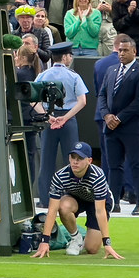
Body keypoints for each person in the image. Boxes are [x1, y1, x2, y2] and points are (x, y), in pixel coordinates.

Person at [31, 141, 122, 260]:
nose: (75, 161)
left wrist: (107, 243)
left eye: (80, 158)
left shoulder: (97, 176)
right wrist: (44, 241)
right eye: (73, 157)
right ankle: (76, 238)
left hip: (97, 202)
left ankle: (86, 234)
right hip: (76, 198)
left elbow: (100, 211)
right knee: (63, 206)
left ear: (89, 161)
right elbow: (52, 210)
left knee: (92, 249)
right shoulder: (60, 176)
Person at [97, 34, 139, 215]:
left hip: (132, 127)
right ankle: (114, 202)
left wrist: (118, 118)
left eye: (125, 50)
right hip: (111, 128)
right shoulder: (111, 70)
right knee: (114, 166)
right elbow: (102, 95)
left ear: (134, 51)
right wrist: (106, 116)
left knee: (136, 164)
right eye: (119, 50)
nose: (121, 53)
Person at [33, 42, 88, 208]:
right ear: (65, 57)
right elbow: (82, 101)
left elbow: (32, 100)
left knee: (46, 161)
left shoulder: (43, 75)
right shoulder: (73, 76)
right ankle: (72, 198)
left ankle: (45, 199)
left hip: (49, 120)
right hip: (68, 119)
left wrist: (47, 116)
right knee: (73, 160)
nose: (70, 58)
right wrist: (65, 118)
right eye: (70, 55)